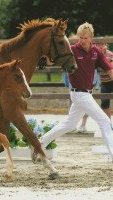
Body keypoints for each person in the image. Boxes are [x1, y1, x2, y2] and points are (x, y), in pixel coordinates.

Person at [38, 22, 113, 159]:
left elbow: (109, 69)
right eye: (80, 38)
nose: (82, 41)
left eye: (85, 38)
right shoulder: (72, 50)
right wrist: (45, 59)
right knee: (104, 121)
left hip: (86, 94)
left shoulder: (96, 52)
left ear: (91, 37)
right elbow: (54, 59)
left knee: (69, 125)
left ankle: (40, 142)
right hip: (78, 94)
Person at [78, 42, 113, 132]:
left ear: (106, 45)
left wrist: (102, 66)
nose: (101, 46)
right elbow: (95, 67)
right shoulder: (96, 54)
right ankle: (108, 124)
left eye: (102, 44)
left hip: (111, 80)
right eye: (98, 45)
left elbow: (109, 67)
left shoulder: (110, 54)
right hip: (104, 82)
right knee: (104, 104)